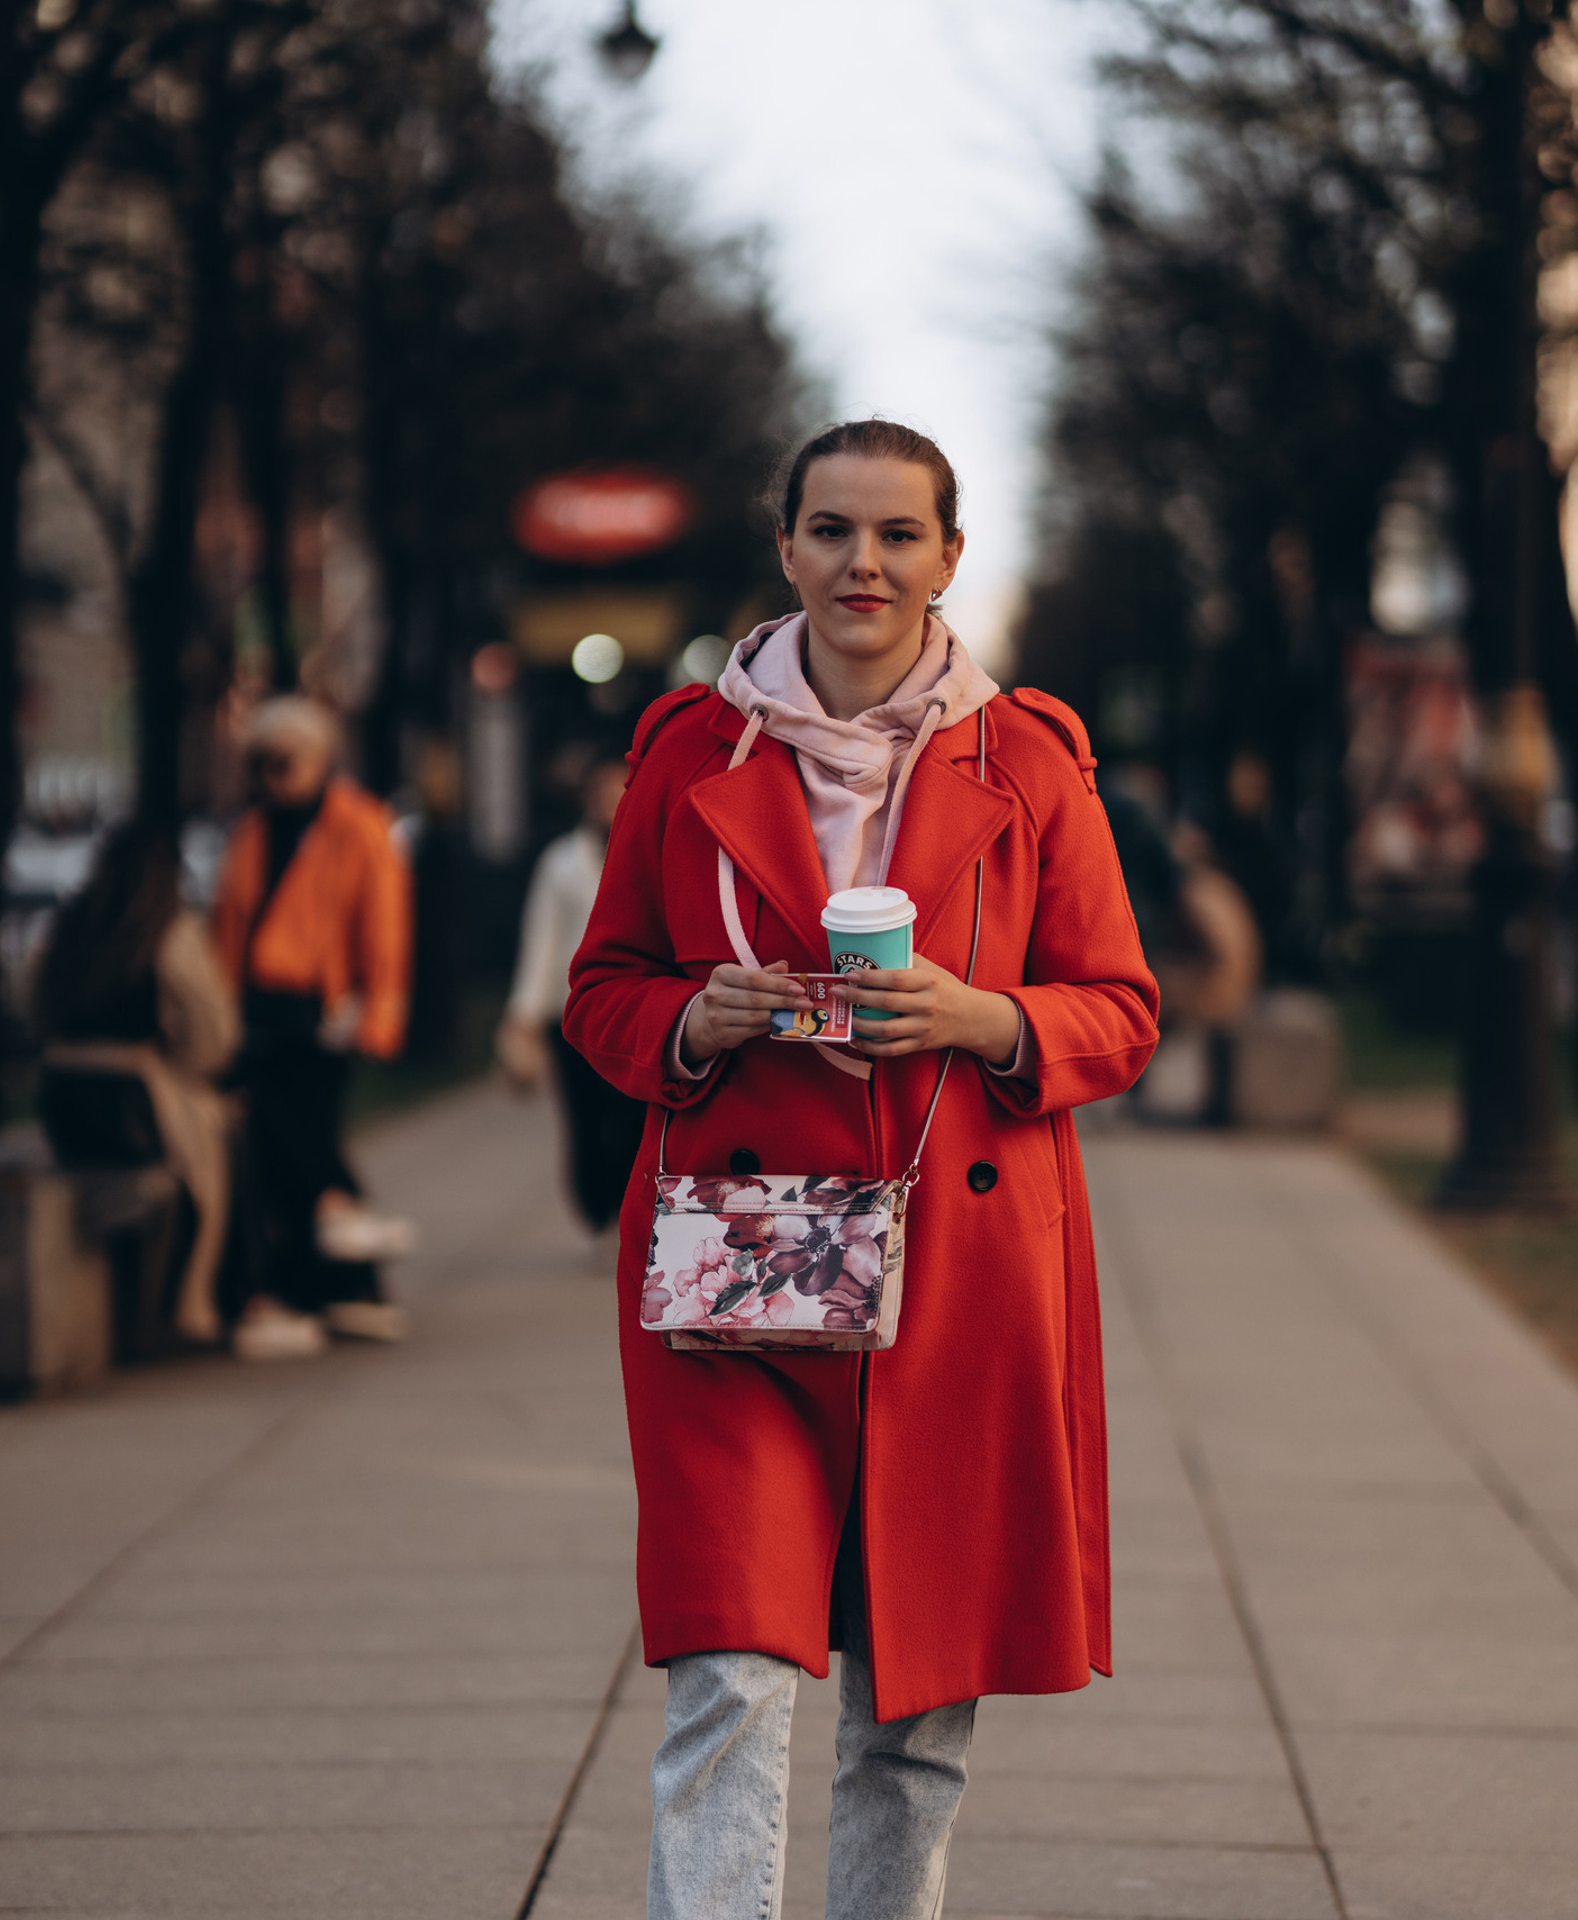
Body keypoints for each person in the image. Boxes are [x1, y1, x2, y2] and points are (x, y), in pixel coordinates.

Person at [564, 419, 1160, 1920]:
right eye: (833, 530)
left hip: (952, 1281)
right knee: (730, 1675)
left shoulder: (1030, 760)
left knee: (911, 1715)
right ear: (788, 550)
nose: (865, 564)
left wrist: (985, 1020)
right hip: (735, 1270)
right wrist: (696, 1017)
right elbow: (602, 989)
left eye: (900, 535)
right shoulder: (685, 752)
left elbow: (1124, 1008)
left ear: (951, 556)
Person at [211, 696, 416, 1362]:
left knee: (299, 1131)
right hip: (257, 1011)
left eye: (286, 761)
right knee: (287, 1142)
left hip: (323, 1011)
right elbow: (231, 925)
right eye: (263, 763)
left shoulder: (359, 824)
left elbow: (384, 926)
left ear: (321, 759)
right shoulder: (252, 832)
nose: (275, 775)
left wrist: (379, 1012)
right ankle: (341, 1274)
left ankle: (329, 1262)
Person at [37, 820, 240, 1344]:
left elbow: (37, 1005)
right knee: (217, 1138)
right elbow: (213, 1037)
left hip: (63, 1100)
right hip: (130, 1102)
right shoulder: (168, 932)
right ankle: (197, 1300)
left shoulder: (70, 925)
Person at [498, 758, 647, 1234]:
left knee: (630, 1120)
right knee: (584, 1121)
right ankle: (595, 1213)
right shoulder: (560, 862)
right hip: (569, 1014)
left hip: (630, 1011)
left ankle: (627, 1212)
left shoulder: (649, 849)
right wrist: (522, 1012)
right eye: (602, 793)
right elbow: (540, 938)